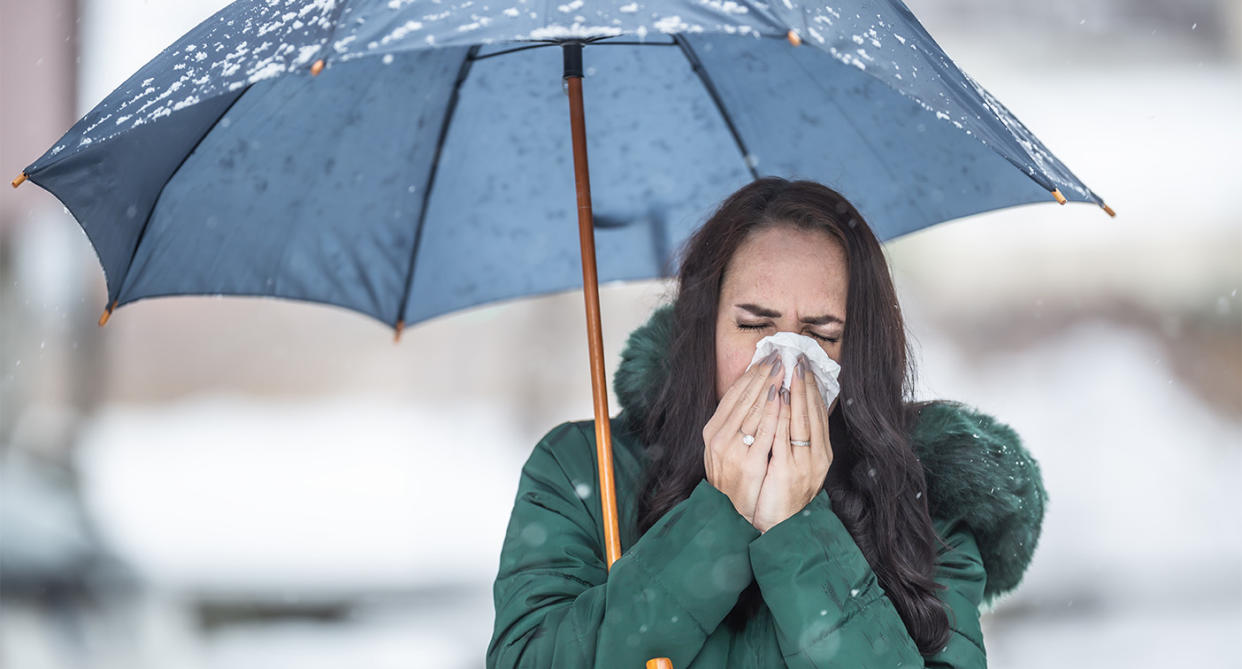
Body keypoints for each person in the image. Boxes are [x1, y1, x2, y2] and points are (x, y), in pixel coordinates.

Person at [486, 178, 1047, 668]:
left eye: (822, 335)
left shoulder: (927, 501)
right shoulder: (585, 473)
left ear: (862, 352)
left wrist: (798, 527)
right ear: (704, 330)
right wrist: (719, 515)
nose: (784, 360)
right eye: (755, 324)